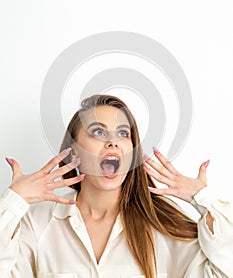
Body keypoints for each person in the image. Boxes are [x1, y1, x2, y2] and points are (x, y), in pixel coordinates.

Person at [0, 94, 232, 278]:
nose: (112, 141)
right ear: (75, 150)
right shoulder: (37, 223)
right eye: (98, 132)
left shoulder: (163, 224)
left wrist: (204, 199)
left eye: (123, 133)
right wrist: (14, 201)